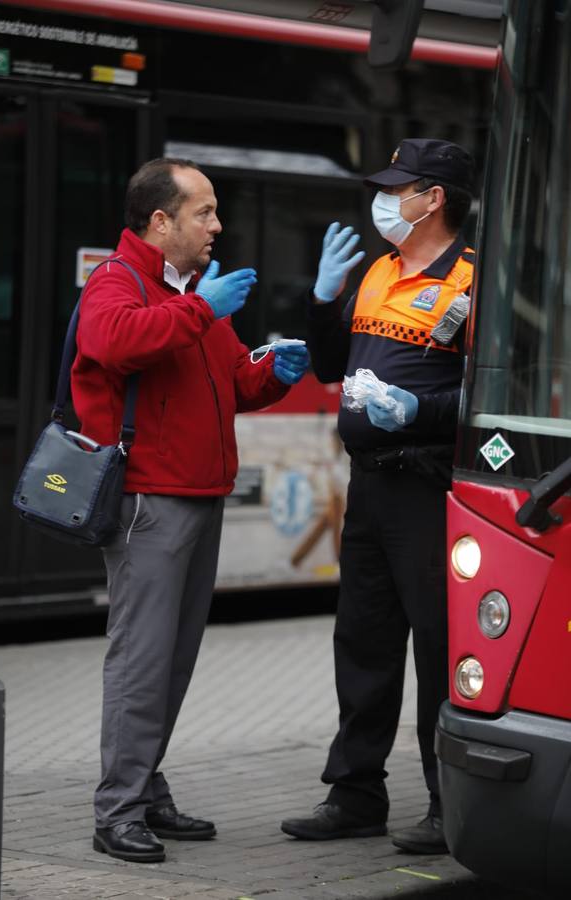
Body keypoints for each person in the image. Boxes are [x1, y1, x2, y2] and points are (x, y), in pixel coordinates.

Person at [71, 158, 310, 863]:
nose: (217, 224)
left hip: (198, 496)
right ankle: (117, 810)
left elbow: (233, 381)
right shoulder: (118, 280)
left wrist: (272, 373)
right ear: (160, 221)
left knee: (171, 662)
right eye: (204, 212)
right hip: (150, 500)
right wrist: (203, 309)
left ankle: (144, 788)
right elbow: (110, 344)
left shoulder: (193, 287)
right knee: (141, 663)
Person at [280, 139, 475, 854]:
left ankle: (449, 803)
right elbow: (332, 365)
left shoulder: (472, 282)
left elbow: (487, 398)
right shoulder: (380, 270)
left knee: (438, 649)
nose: (385, 200)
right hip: (368, 485)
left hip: (427, 488)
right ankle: (355, 795)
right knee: (362, 642)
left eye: (401, 188)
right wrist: (324, 301)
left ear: (435, 199)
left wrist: (415, 412)